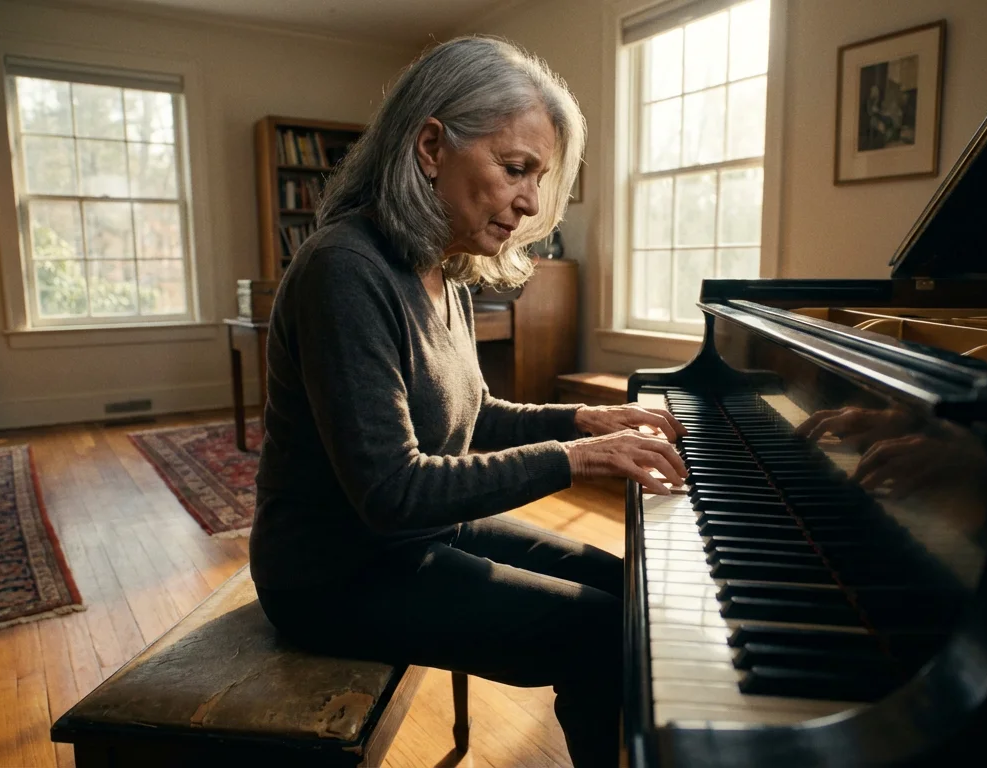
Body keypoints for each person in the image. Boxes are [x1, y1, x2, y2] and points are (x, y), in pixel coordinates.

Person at [248, 36, 688, 767]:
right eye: (516, 169)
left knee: (626, 585)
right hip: (333, 575)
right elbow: (391, 490)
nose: (530, 202)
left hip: (418, 539)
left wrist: (585, 420)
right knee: (600, 631)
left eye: (538, 178)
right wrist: (576, 459)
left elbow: (474, 415)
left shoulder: (441, 270)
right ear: (430, 146)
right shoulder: (343, 270)